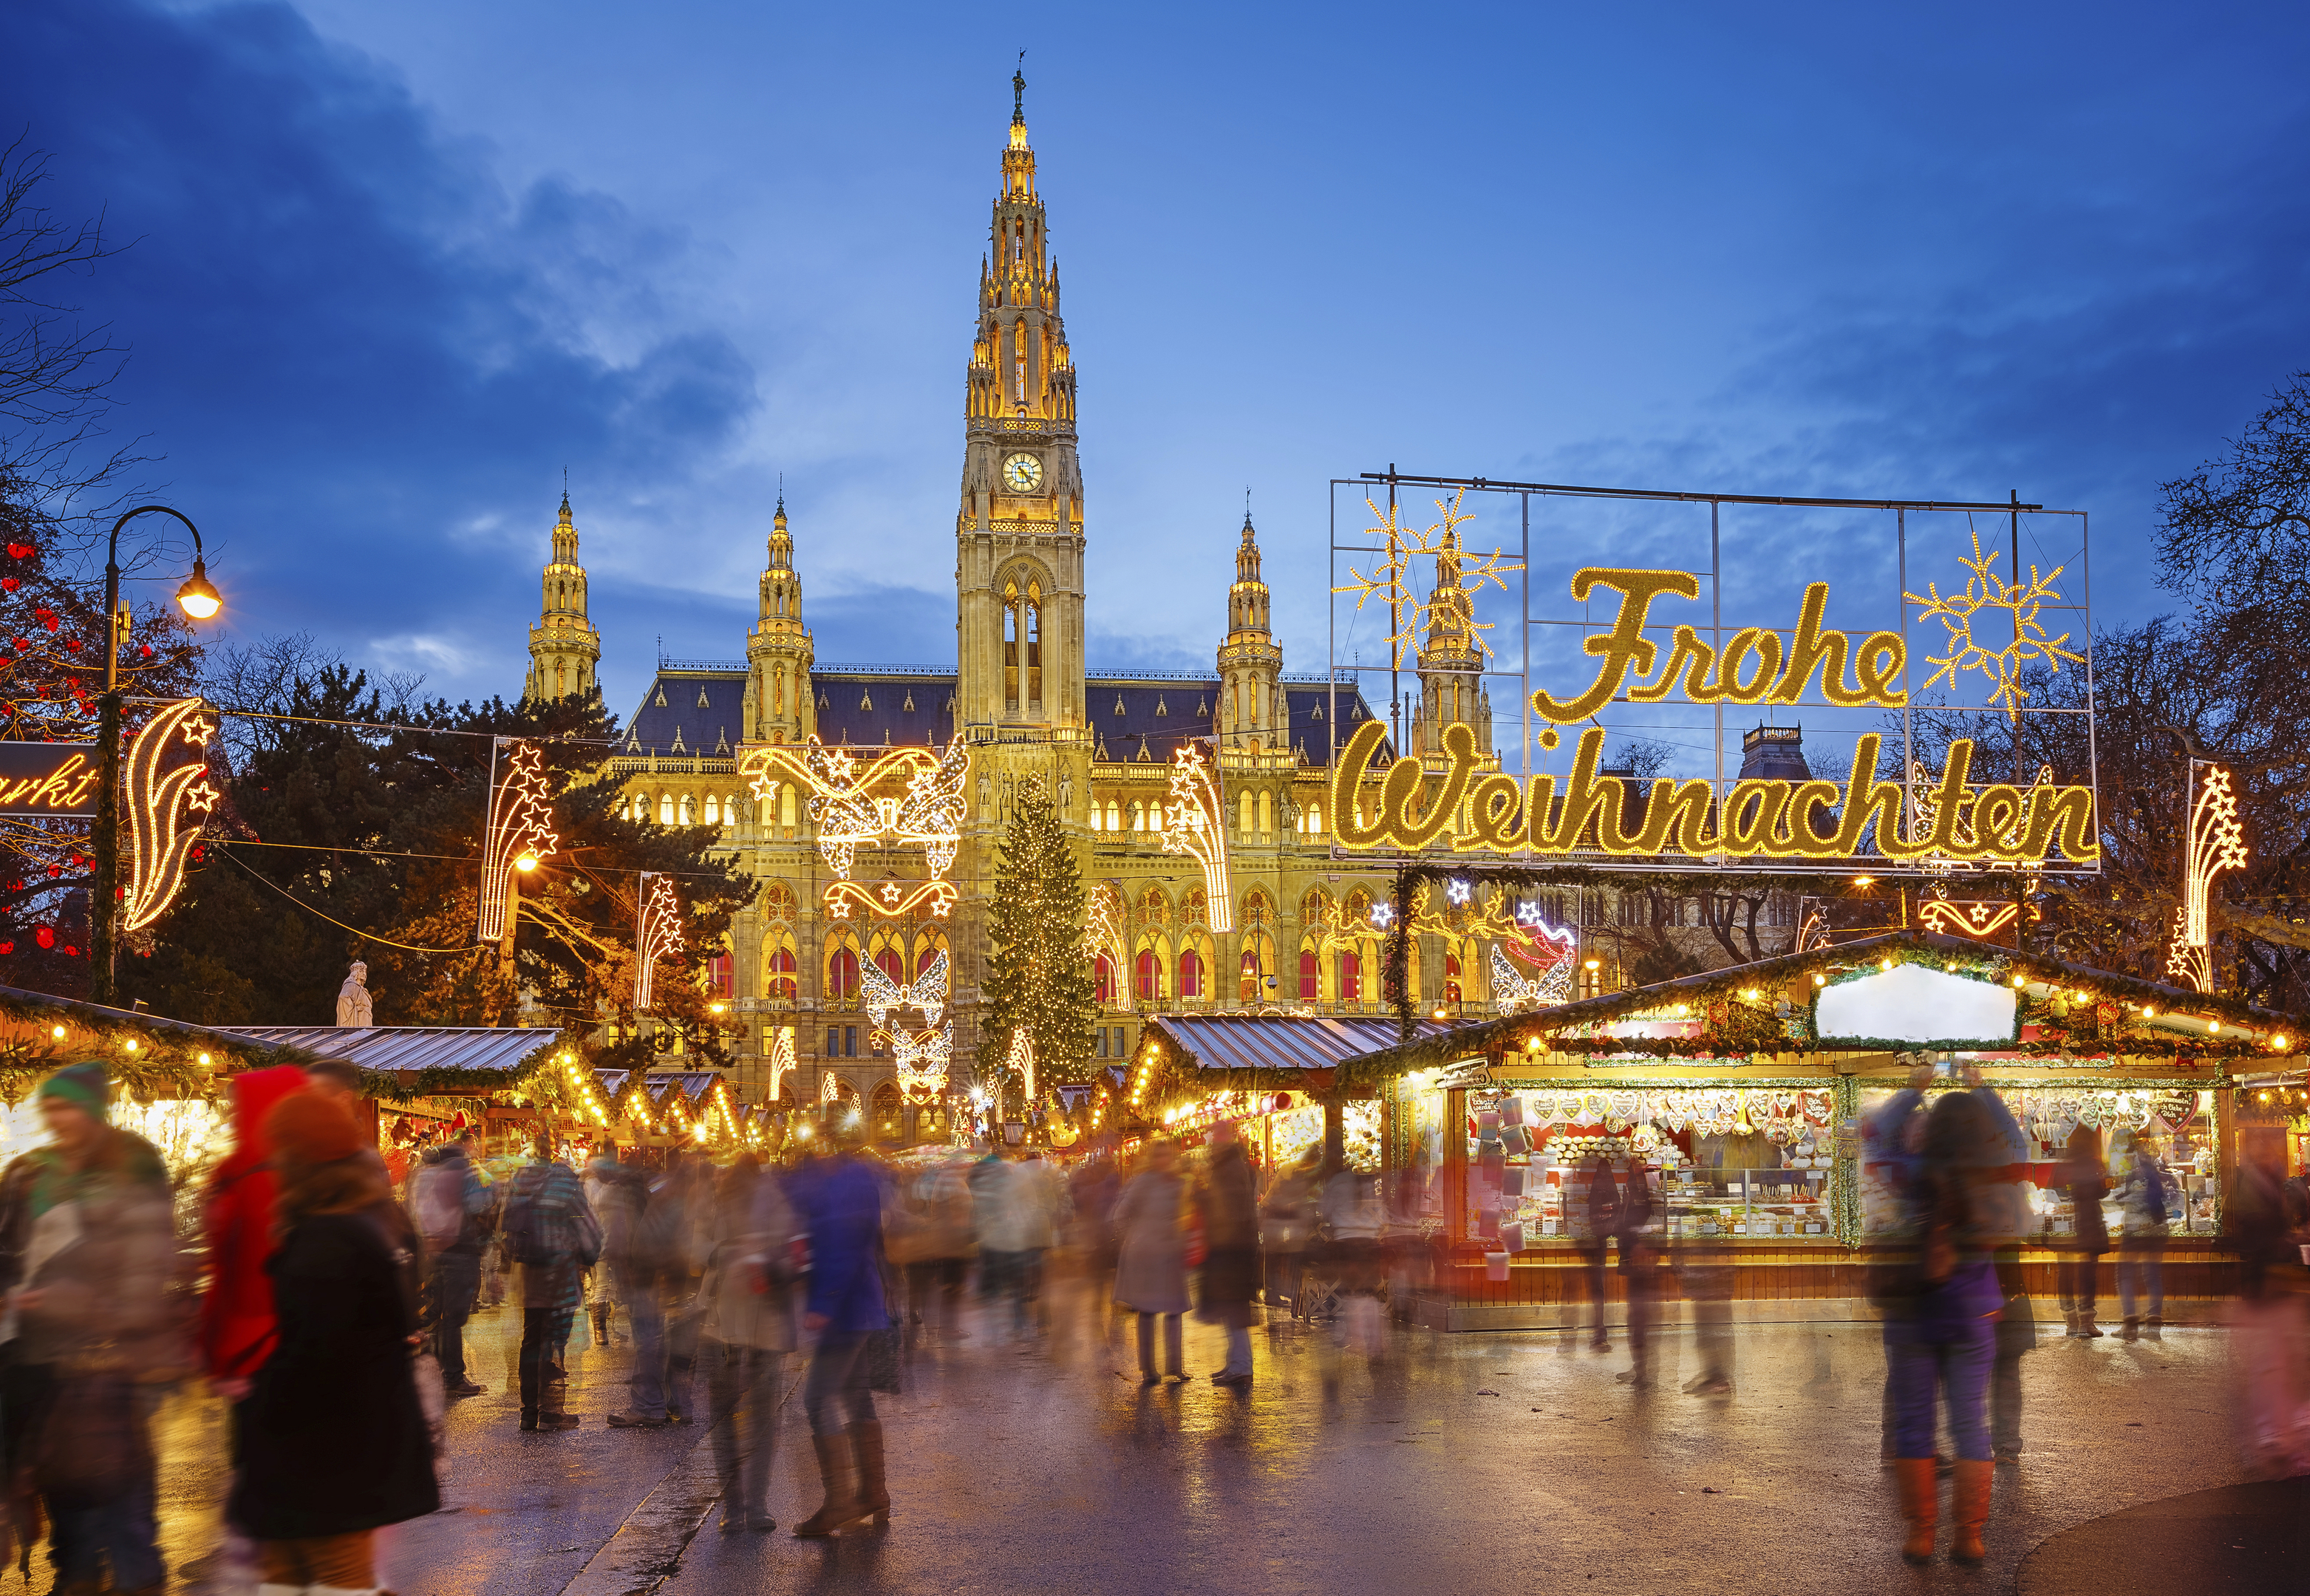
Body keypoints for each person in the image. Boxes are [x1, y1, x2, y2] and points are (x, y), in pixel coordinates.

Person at [231, 1089, 438, 1595]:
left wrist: (259, 1401)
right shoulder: (367, 1218)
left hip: (327, 1451)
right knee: (303, 1575)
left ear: (299, 1155)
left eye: (279, 1149)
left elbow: (319, 1355)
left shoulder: (327, 1239)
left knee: (336, 1578)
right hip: (348, 1443)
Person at [0, 1063, 179, 1596]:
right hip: (40, 1361)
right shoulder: (30, 1171)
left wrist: (67, 1304)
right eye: (50, 1108)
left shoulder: (133, 1165)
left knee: (124, 1511)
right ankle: (77, 1576)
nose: (58, 1118)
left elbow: (145, 1272)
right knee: (70, 1510)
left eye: (68, 1106)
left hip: (112, 1363)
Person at [182, 1065, 311, 1589]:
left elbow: (221, 1273)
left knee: (258, 1475)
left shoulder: (233, 1174)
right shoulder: (310, 1176)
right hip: (299, 1351)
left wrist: (211, 1349)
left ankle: (272, 1568)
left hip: (247, 1353)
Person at [1883, 1090, 2005, 1566]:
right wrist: (1987, 1095)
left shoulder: (1914, 1173)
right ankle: (1969, 1535)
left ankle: (1921, 1533)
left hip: (1914, 1311)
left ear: (1932, 1128)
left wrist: (1913, 1087)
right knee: (1970, 1421)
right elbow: (2013, 1141)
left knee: (1915, 1420)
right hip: (1973, 1312)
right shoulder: (1993, 1179)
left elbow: (1881, 1138)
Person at [786, 1126, 892, 1537]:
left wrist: (824, 1302)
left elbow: (842, 1245)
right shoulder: (854, 1178)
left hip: (846, 1308)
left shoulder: (844, 1184)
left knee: (817, 1398)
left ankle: (840, 1502)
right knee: (855, 1395)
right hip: (860, 1303)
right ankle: (873, 1492)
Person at [699, 1156, 797, 1533]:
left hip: (743, 1324)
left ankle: (743, 1505)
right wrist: (728, 1253)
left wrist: (756, 1260)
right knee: (752, 1417)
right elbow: (696, 1247)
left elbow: (790, 1255)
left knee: (736, 1419)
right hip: (738, 1324)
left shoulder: (761, 1201)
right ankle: (746, 1505)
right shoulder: (755, 1201)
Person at [497, 1138, 600, 1432]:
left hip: (528, 1275)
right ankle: (551, 1413)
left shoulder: (520, 1182)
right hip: (559, 1276)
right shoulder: (567, 1185)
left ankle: (528, 1412)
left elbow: (504, 1224)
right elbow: (590, 1229)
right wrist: (588, 1257)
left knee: (530, 1341)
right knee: (554, 1342)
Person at [1963, 1067, 2036, 1462]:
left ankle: (1975, 1446)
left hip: (1974, 1290)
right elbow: (2014, 1137)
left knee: (1970, 1372)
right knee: (2005, 1370)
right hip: (2007, 1288)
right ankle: (2005, 1444)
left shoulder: (1962, 1177)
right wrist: (1983, 1088)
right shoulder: (2010, 1183)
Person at [412, 1130, 492, 1396]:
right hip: (459, 1251)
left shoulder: (425, 1175)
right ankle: (454, 1377)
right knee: (453, 1319)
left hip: (432, 1251)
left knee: (435, 1314)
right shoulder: (461, 1170)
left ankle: (434, 1371)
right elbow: (478, 1203)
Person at [605, 1156, 684, 1428]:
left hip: (646, 1275)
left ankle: (648, 1405)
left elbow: (631, 1238)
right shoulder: (660, 1192)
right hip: (660, 1274)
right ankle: (674, 1404)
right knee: (660, 1339)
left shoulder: (632, 1194)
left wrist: (631, 1270)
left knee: (648, 1339)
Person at [1112, 1141, 1189, 1383]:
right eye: (1161, 1156)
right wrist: (1136, 1237)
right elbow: (1120, 1214)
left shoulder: (1176, 1182)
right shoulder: (1143, 1182)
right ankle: (1149, 1369)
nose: (1165, 1160)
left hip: (1171, 1252)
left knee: (1175, 1309)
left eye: (1169, 1155)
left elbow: (1183, 1213)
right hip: (1147, 1254)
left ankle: (1175, 1366)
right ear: (1153, 1158)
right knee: (1148, 1310)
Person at [1196, 1122, 1261, 1387]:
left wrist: (1202, 1199)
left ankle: (1242, 1366)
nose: (1212, 1142)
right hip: (1232, 1247)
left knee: (1234, 1309)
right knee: (1230, 1309)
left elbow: (1230, 1210)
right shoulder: (1229, 1166)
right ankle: (1235, 1362)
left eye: (1215, 1137)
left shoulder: (1228, 1168)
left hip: (1231, 1249)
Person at [1319, 1162, 1385, 1357]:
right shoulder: (1367, 1182)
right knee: (1369, 1292)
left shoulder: (1336, 1182)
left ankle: (1353, 1336)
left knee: (1351, 1290)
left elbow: (1325, 1211)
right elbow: (1380, 1208)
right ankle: (1375, 1342)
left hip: (1346, 1240)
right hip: (1369, 1240)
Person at [2114, 1136, 2170, 1341]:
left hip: (2135, 1229)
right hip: (2158, 1228)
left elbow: (2130, 1198)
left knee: (2124, 1274)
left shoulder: (2134, 1172)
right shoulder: (2154, 1171)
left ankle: (2130, 1322)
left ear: (2134, 1154)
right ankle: (2154, 1320)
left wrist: (2117, 1197)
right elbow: (2160, 1198)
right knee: (2153, 1274)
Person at [2057, 1127, 2108, 1337]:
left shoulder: (2065, 1163)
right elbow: (2102, 1190)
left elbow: (2055, 1189)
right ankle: (2087, 1322)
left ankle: (2070, 1322)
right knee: (2088, 1273)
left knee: (2065, 1272)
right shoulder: (2095, 1163)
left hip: (2066, 1222)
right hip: (2089, 1221)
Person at [1259, 1150, 1318, 1314]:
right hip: (1272, 1213)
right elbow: (1296, 1177)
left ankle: (1279, 1292)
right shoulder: (1292, 1168)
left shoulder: (1301, 1174)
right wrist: (1318, 1170)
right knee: (1272, 1255)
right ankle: (1271, 1294)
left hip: (1282, 1215)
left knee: (1279, 1254)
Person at [582, 1143, 629, 1346]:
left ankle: (610, 1329)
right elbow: (597, 1203)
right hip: (599, 1241)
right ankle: (601, 1331)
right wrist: (612, 1185)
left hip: (609, 1239)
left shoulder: (600, 1183)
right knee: (601, 1284)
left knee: (610, 1286)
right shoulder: (592, 1183)